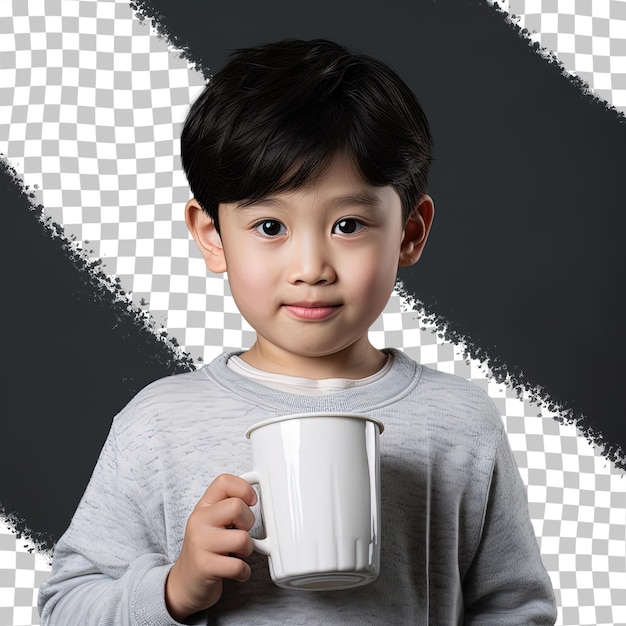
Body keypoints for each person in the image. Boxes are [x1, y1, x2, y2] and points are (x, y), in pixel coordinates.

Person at [38, 38, 556, 624]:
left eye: (349, 223)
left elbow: (515, 608)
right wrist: (173, 590)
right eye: (268, 225)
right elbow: (64, 608)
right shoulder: (156, 425)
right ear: (211, 236)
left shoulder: (462, 422)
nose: (311, 267)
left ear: (410, 233)